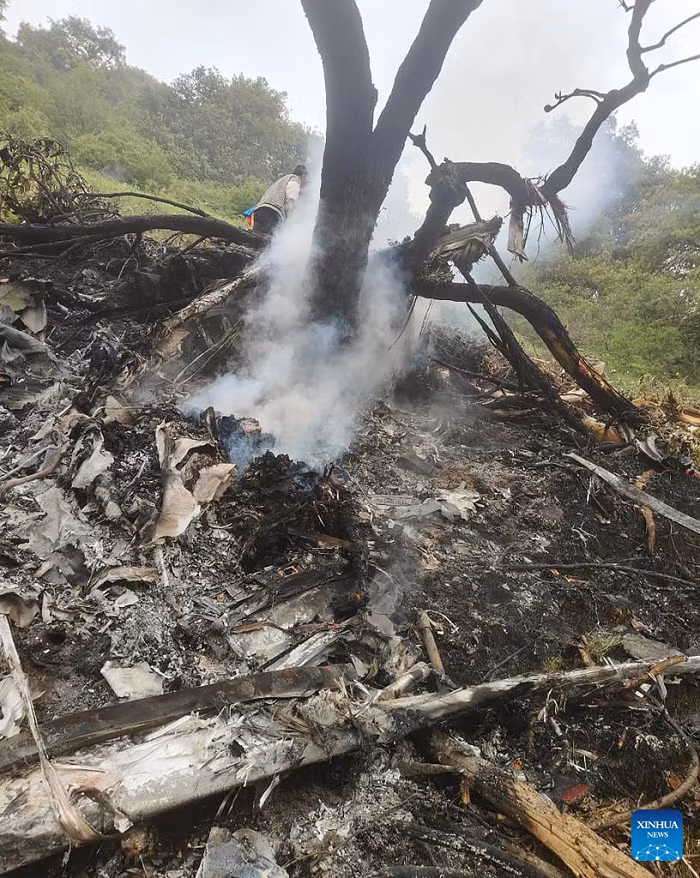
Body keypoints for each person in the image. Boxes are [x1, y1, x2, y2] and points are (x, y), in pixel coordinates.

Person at [249, 164, 308, 235]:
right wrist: (290, 222)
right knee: (268, 242)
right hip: (272, 213)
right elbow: (291, 200)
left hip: (259, 211)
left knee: (255, 237)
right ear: (303, 175)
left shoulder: (283, 180)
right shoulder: (295, 179)